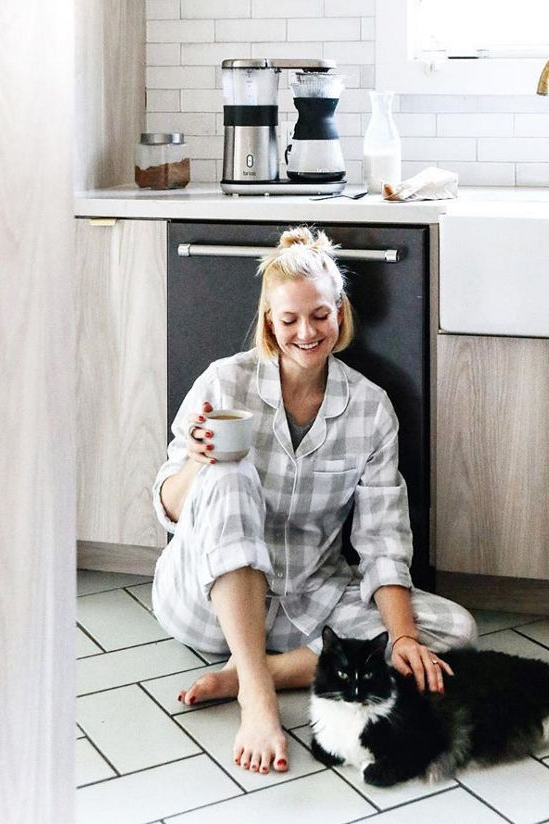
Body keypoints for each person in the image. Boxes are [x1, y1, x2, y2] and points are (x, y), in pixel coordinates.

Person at [149, 226, 477, 776]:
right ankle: (258, 699)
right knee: (229, 477)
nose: (307, 331)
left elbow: (382, 540)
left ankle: (257, 671)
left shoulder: (370, 408)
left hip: (309, 600)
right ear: (270, 324)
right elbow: (167, 506)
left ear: (340, 313)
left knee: (452, 631)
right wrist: (199, 465)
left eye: (320, 315)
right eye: (290, 319)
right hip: (207, 604)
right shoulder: (223, 383)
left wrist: (399, 637)